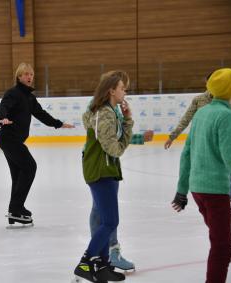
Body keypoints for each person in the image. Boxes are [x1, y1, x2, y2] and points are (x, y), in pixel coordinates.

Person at [172, 68, 231, 283]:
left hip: (197, 189)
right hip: (215, 191)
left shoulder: (203, 112)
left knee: (219, 242)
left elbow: (187, 153)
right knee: (222, 247)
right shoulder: (225, 115)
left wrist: (181, 190)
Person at [0, 62, 74, 226]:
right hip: (8, 138)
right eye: (26, 74)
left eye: (31, 74)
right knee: (30, 167)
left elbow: (41, 114)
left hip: (14, 140)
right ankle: (16, 208)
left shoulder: (29, 97)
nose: (29, 77)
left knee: (18, 176)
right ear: (19, 77)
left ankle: (14, 211)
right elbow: (3, 106)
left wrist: (58, 123)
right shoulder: (13, 93)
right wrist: (2, 118)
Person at [73, 70, 132, 282]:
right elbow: (114, 149)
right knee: (109, 221)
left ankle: (102, 266)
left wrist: (127, 120)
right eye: (122, 88)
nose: (125, 91)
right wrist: (128, 124)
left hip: (107, 170)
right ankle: (85, 263)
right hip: (100, 170)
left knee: (107, 221)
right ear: (111, 91)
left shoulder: (109, 111)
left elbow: (115, 146)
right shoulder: (105, 114)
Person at [165, 73, 231, 222]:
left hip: (225, 140)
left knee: (227, 171)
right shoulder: (199, 100)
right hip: (205, 144)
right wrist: (173, 135)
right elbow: (186, 118)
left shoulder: (229, 101)